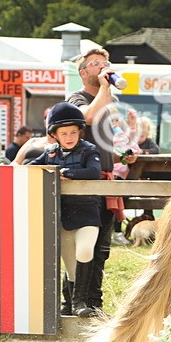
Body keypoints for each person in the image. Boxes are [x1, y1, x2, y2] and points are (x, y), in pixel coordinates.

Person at [67, 47, 136, 318]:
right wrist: (106, 90)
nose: (102, 67)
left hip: (107, 181)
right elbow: (86, 118)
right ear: (83, 73)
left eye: (105, 63)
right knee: (83, 246)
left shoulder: (109, 104)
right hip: (85, 182)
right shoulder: (77, 98)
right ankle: (75, 301)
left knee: (103, 249)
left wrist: (124, 153)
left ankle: (95, 303)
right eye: (95, 64)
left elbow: (114, 136)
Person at [21, 103, 103, 318]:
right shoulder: (50, 153)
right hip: (63, 214)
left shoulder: (89, 150)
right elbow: (32, 166)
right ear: (54, 135)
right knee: (69, 262)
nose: (69, 137)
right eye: (64, 133)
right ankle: (71, 303)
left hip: (87, 213)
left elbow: (94, 172)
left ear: (80, 132)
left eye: (73, 132)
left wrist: (66, 172)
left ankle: (80, 301)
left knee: (84, 251)